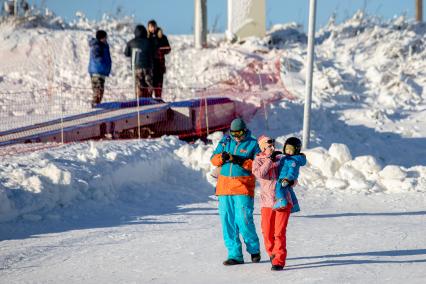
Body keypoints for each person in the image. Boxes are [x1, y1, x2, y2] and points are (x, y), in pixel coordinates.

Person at [210, 118, 261, 265]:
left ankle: (254, 249)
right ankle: (235, 255)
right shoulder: (226, 142)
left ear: (244, 130)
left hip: (242, 187)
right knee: (228, 222)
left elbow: (257, 166)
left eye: (239, 133)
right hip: (224, 187)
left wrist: (239, 160)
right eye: (233, 133)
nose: (236, 136)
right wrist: (222, 157)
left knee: (243, 219)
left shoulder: (253, 144)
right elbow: (213, 159)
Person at [252, 136, 296, 271]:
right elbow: (259, 174)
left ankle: (279, 260)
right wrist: (269, 160)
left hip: (282, 200)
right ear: (262, 147)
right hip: (267, 202)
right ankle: (272, 253)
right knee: (267, 231)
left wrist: (291, 181)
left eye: (272, 144)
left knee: (279, 232)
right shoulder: (258, 161)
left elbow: (292, 174)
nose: (271, 147)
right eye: (268, 145)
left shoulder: (281, 158)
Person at [274, 137, 306, 212]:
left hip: (284, 178)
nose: (288, 151)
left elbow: (292, 171)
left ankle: (281, 201)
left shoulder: (292, 160)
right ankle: (295, 206)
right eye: (286, 148)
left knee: (278, 188)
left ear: (296, 150)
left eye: (291, 149)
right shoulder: (287, 158)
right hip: (284, 177)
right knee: (290, 191)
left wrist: (288, 178)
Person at [124, 25, 154, 98]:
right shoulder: (149, 42)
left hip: (136, 67)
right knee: (148, 84)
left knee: (139, 85)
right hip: (147, 66)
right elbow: (153, 52)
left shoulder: (131, 42)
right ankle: (149, 99)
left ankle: (139, 101)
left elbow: (126, 53)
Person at [88, 30, 112, 107]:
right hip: (97, 71)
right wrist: (102, 61)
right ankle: (95, 107)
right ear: (102, 38)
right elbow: (96, 55)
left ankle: (96, 106)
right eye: (105, 37)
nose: (106, 39)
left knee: (99, 91)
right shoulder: (98, 45)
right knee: (98, 91)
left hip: (100, 71)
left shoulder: (102, 45)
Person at [152, 27, 171, 99]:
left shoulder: (163, 38)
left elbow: (168, 48)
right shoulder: (151, 38)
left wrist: (161, 49)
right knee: (151, 86)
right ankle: (152, 101)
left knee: (159, 87)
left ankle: (158, 99)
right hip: (153, 67)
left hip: (160, 66)